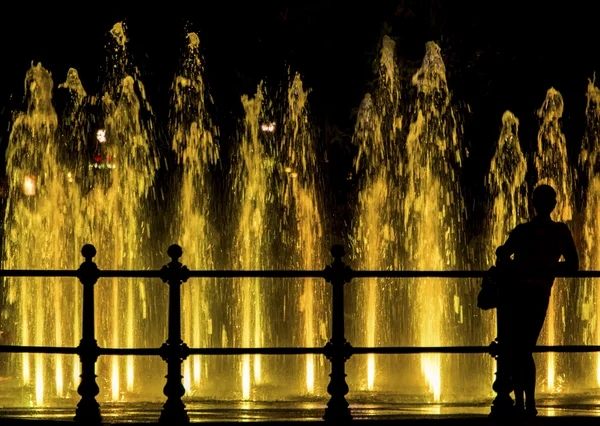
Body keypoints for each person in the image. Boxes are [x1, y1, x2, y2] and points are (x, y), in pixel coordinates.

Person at [495, 184, 578, 416]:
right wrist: (548, 268)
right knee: (523, 348)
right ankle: (526, 404)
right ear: (553, 205)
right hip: (538, 294)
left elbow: (502, 253)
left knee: (518, 348)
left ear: (535, 204)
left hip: (517, 294)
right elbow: (573, 266)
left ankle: (523, 403)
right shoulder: (560, 232)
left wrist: (520, 266)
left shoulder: (523, 231)